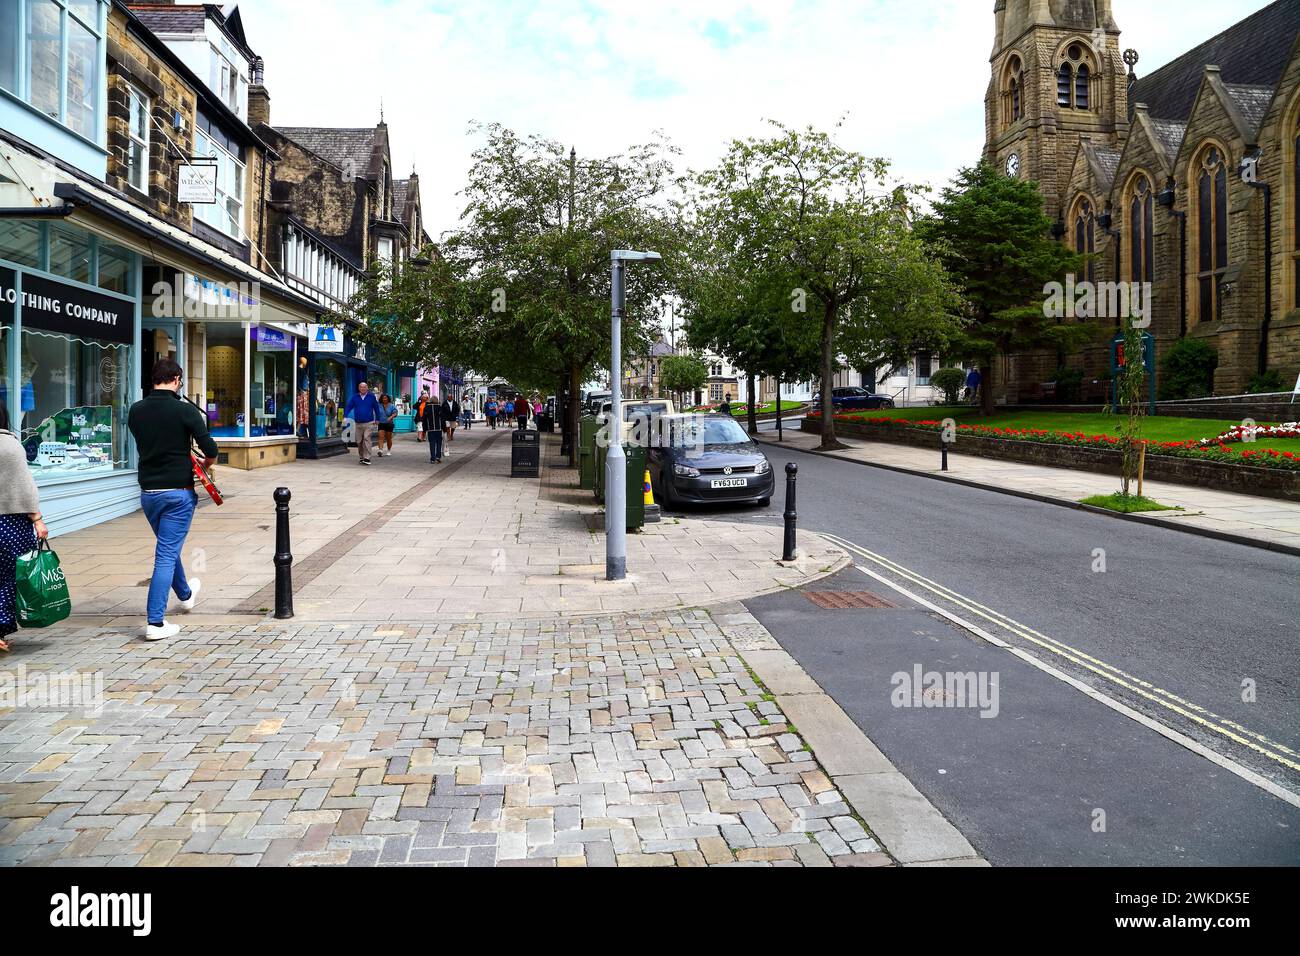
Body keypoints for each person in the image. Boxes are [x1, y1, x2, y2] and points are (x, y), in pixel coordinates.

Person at [127, 358, 219, 642]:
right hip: (178, 493)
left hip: (148, 494)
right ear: (177, 379)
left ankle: (186, 594)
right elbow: (211, 448)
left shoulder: (136, 411)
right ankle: (155, 621)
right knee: (165, 554)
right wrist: (207, 461)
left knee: (168, 547)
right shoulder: (185, 411)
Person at [0, 406, 49, 653]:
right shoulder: (10, 445)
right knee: (9, 577)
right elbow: (25, 486)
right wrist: (38, 519)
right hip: (9, 524)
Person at [344, 380, 383, 465]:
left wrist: (377, 419)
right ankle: (362, 457)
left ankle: (367, 458)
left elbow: (376, 408)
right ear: (359, 388)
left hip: (369, 422)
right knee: (359, 441)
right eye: (361, 387)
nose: (363, 388)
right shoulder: (355, 397)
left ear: (367, 388)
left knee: (366, 438)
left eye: (364, 387)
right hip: (358, 423)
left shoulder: (371, 397)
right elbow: (349, 406)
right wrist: (345, 416)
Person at [422, 391, 446, 463]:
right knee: (439, 443)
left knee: (432, 443)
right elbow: (442, 419)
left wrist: (424, 429)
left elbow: (424, 419)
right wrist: (444, 428)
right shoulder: (440, 407)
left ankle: (433, 458)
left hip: (430, 429)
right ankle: (438, 456)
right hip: (438, 429)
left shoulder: (427, 408)